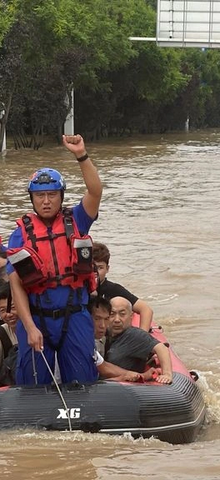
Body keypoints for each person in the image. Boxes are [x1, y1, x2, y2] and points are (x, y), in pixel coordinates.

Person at [7, 134, 101, 385]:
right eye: (40, 196)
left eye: (51, 195)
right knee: (32, 384)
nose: (46, 201)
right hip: (37, 318)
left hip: (75, 315)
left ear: (60, 196)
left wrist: (81, 154)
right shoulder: (21, 234)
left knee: (83, 382)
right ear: (32, 198)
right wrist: (29, 327)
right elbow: (16, 283)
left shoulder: (77, 220)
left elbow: (95, 191)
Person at [105, 297, 172, 384]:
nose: (117, 320)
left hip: (124, 387)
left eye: (122, 314)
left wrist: (167, 374)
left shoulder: (134, 335)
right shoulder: (103, 333)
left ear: (131, 316)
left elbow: (161, 348)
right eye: (112, 314)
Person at [93, 242, 153, 332]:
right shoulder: (76, 289)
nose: (95, 272)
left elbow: (146, 309)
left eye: (100, 268)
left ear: (107, 269)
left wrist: (143, 336)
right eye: (91, 268)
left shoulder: (113, 289)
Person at [0, 280, 18, 386]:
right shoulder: (2, 335)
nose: (8, 314)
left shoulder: (38, 330)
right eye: (2, 310)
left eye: (13, 308)